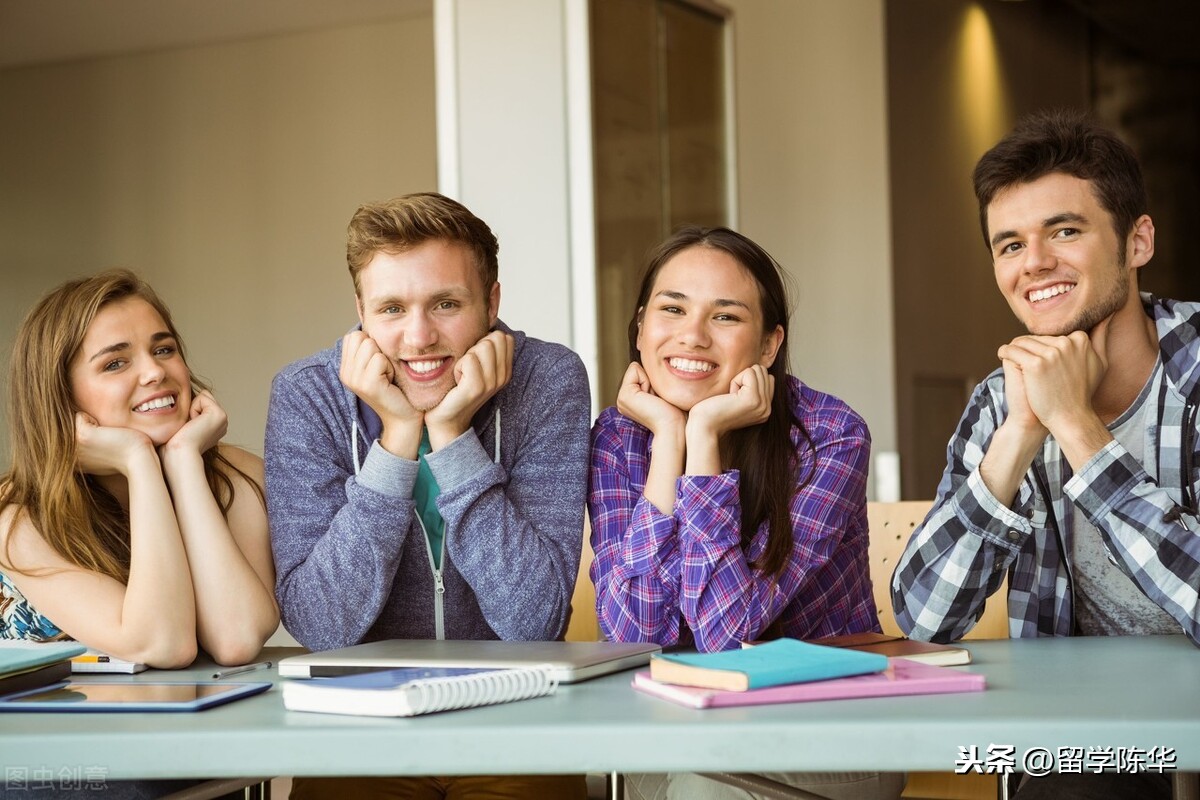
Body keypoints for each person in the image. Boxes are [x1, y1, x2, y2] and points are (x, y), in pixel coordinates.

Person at [891, 109, 1199, 799]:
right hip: (1093, 746)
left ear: (1138, 240)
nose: (1034, 263)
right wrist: (1024, 431)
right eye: (1009, 244)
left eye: (1064, 230)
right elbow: (925, 619)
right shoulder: (1002, 403)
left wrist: (1079, 430)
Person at [265, 192, 590, 800]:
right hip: (359, 728)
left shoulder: (549, 379)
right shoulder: (307, 395)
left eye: (446, 303)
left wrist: (451, 434)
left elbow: (535, 620)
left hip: (517, 719)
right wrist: (394, 442)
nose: (419, 337)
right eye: (391, 308)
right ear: (359, 310)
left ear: (492, 302)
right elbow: (321, 625)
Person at [589, 226, 901, 800]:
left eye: (725, 317)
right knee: (609, 772)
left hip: (831, 726)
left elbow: (724, 639)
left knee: (699, 789)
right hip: (676, 724)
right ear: (639, 331)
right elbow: (630, 635)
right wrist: (667, 440)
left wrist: (703, 439)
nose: (692, 336)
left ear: (768, 346)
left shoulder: (830, 436)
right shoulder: (618, 437)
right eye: (672, 309)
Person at [0, 270, 278, 798]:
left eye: (164, 349)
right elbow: (162, 642)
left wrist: (181, 462)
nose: (155, 373)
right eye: (115, 362)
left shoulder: (236, 477)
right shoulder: (17, 516)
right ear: (60, 396)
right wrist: (136, 460)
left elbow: (238, 637)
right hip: (45, 767)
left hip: (176, 749)